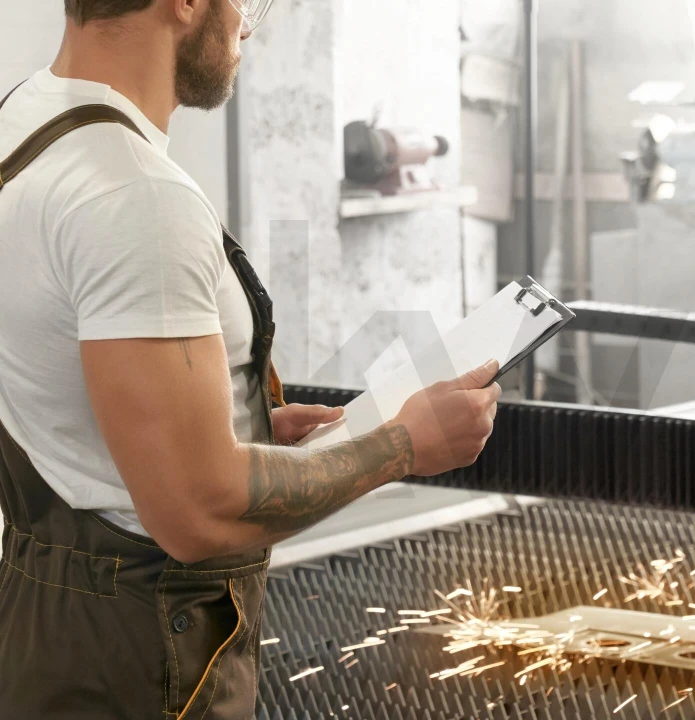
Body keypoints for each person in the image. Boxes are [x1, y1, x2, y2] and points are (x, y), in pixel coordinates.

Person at [0, 1, 501, 718]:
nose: (248, 23)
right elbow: (195, 510)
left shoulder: (25, 123)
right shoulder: (135, 197)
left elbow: (65, 392)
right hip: (143, 652)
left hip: (42, 618)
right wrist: (403, 445)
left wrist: (228, 421)